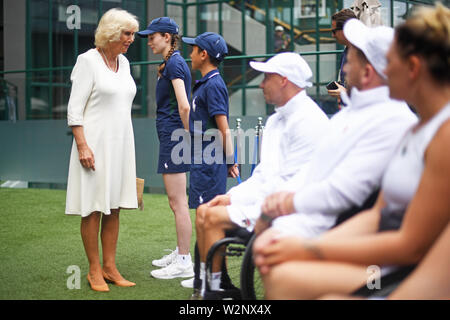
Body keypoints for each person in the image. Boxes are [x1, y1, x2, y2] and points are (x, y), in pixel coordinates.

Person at [253, 4, 450, 299]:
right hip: (382, 267)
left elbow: (411, 246)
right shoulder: (416, 130)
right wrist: (315, 248)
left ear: (413, 68)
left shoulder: (440, 134)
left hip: (392, 274)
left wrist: (311, 248)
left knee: (287, 278)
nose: (385, 70)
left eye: (390, 61)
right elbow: (378, 215)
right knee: (286, 271)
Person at [192, 52, 330, 296]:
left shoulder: (310, 121)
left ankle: (213, 291)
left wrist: (239, 200)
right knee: (205, 211)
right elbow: (265, 173)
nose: (261, 84)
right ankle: (213, 285)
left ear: (284, 80)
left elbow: (291, 183)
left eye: (267, 77)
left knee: (211, 217)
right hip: (269, 200)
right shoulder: (276, 120)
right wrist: (232, 196)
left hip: (290, 209)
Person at [65, 8, 139, 292]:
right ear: (110, 33)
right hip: (93, 145)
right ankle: (94, 269)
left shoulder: (125, 63)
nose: (131, 39)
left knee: (115, 207)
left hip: (121, 144)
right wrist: (82, 145)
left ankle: (110, 267)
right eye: (127, 33)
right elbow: (74, 109)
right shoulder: (87, 61)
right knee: (93, 209)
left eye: (132, 34)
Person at [180, 32, 239, 290]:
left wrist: (231, 161)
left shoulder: (213, 85)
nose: (190, 53)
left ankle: (205, 281)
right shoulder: (205, 82)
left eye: (193, 49)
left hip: (209, 163)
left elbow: (223, 128)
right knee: (206, 220)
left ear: (203, 55)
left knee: (207, 221)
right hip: (203, 161)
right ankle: (212, 279)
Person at [136, 17, 194, 280]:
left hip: (174, 138)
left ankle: (184, 260)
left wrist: (186, 136)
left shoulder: (175, 64)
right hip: (172, 136)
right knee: (176, 202)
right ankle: (181, 252)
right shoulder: (171, 63)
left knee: (178, 202)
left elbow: (184, 105)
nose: (149, 41)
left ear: (167, 37)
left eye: (153, 36)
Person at [328, 9, 357, 106]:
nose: (332, 35)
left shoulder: (364, 54)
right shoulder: (346, 52)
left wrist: (345, 94)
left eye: (334, 31)